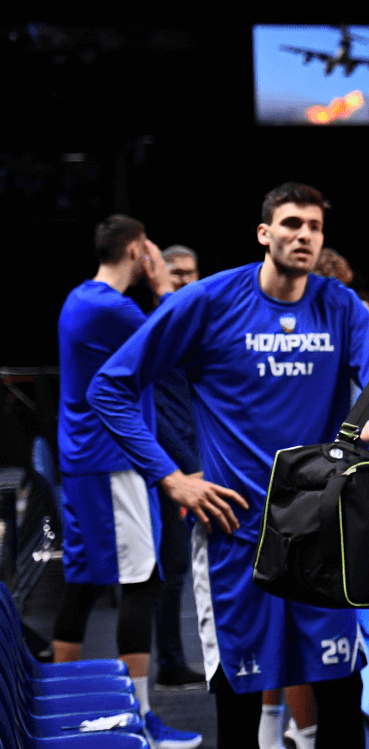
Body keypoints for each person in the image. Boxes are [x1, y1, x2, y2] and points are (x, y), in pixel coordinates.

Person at [89, 182, 369, 749]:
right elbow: (112, 388)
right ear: (264, 232)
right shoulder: (207, 302)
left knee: (342, 707)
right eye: (292, 223)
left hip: (323, 540)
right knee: (238, 714)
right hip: (236, 536)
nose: (304, 235)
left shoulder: (340, 306)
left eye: (314, 227)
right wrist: (171, 479)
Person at [56, 215, 203, 748]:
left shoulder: (79, 297)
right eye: (153, 251)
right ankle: (140, 721)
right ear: (139, 249)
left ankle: (66, 709)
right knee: (142, 582)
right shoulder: (111, 307)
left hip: (88, 460)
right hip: (111, 461)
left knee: (83, 583)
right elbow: (176, 339)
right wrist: (163, 283)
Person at [150, 244, 207, 691]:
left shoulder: (193, 326)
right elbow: (161, 412)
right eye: (176, 273)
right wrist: (186, 469)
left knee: (185, 567)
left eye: (190, 273)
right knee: (172, 567)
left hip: (196, 460)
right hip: (173, 469)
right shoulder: (158, 329)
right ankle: (170, 661)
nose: (185, 280)